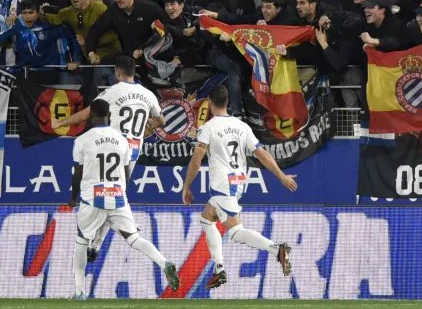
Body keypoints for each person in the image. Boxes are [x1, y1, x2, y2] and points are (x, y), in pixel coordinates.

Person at [181, 85, 297, 289]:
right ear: (228, 102)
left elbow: (196, 160)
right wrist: (281, 176)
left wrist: (186, 186)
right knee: (207, 219)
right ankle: (219, 270)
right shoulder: (242, 126)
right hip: (238, 182)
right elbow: (263, 154)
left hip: (222, 185)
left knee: (235, 232)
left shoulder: (209, 127)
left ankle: (276, 249)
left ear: (209, 102)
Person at [70, 98, 179, 300]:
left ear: (91, 116)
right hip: (118, 197)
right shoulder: (122, 140)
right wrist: (119, 189)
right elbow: (126, 171)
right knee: (134, 238)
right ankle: (164, 263)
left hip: (93, 198)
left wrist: (72, 197)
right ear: (110, 115)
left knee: (82, 240)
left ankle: (79, 292)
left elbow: (78, 173)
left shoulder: (82, 140)